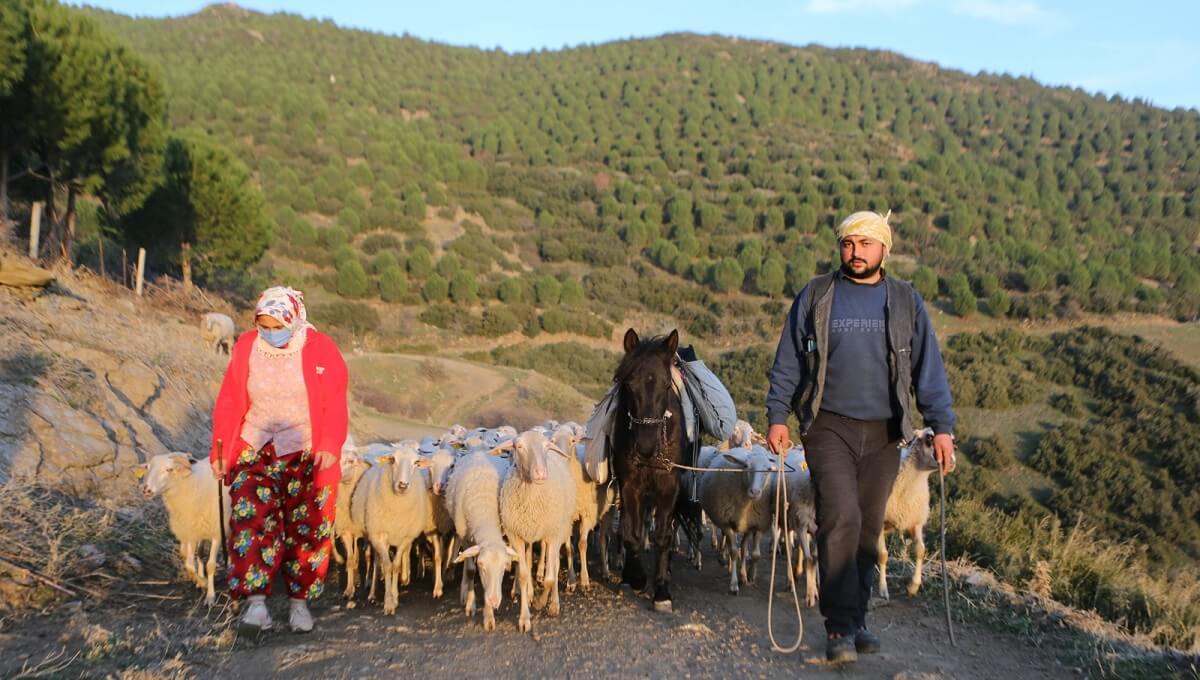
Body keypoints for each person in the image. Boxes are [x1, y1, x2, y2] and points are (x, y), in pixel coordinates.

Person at [764, 211, 956, 664]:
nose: (856, 252)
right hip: (828, 425)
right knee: (840, 518)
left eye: (866, 244)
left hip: (885, 432)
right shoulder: (817, 294)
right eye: (848, 244)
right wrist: (777, 416)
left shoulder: (905, 300)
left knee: (870, 526)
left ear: (884, 249)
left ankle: (857, 618)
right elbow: (789, 358)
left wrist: (942, 427)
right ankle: (838, 626)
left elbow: (928, 368)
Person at [209, 286, 349, 636]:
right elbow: (229, 400)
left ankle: (299, 604)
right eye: (264, 326)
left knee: (309, 527)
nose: (271, 333)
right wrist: (221, 451)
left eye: (278, 326)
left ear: (294, 320)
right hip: (256, 444)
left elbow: (335, 399)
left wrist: (330, 443)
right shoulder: (246, 347)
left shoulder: (320, 348)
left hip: (307, 449)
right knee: (250, 519)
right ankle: (256, 604)